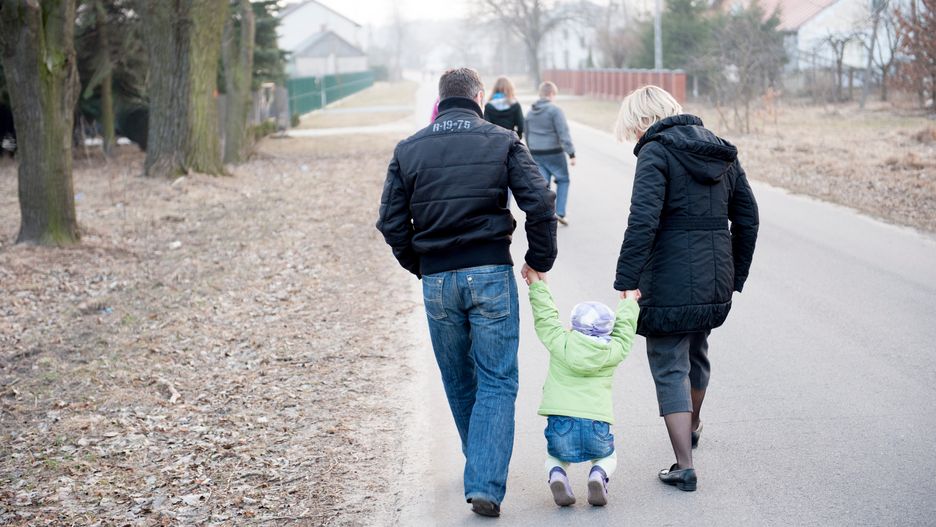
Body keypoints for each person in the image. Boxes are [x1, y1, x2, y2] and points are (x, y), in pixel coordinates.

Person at [376, 67, 558, 518]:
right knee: (497, 379)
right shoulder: (502, 140)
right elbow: (540, 201)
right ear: (479, 98)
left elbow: (391, 223)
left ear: (440, 101)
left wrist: (422, 265)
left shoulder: (409, 149)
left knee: (459, 378)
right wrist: (540, 259)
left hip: (438, 279)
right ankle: (484, 481)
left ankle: (479, 466)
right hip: (490, 272)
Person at [612, 86, 759, 492]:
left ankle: (684, 465)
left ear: (643, 120)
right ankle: (691, 425)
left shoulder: (655, 151)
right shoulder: (721, 151)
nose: (635, 136)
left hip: (667, 279)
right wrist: (735, 275)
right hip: (715, 278)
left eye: (633, 128)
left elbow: (643, 220)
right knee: (697, 350)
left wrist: (626, 280)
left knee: (668, 362)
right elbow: (748, 217)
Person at [524, 269, 639, 507]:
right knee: (607, 456)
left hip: (561, 422)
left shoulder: (561, 342)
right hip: (597, 423)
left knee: (555, 456)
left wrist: (537, 285)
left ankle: (557, 474)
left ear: (574, 325)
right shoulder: (613, 350)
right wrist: (629, 301)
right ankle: (598, 473)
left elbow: (546, 317)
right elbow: (625, 330)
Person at [525, 81, 575, 225]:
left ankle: (546, 214)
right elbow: (563, 133)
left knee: (544, 184)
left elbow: (527, 133)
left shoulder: (530, 112)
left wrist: (530, 150)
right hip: (554, 152)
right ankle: (560, 213)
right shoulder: (555, 110)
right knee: (563, 179)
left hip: (536, 152)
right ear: (552, 94)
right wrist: (571, 153)